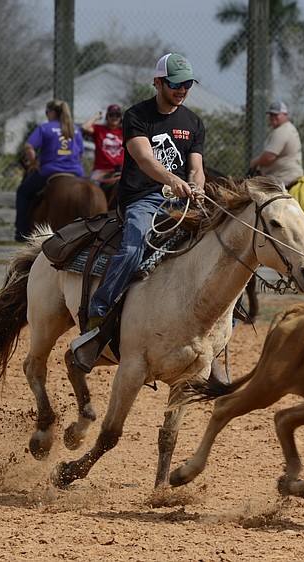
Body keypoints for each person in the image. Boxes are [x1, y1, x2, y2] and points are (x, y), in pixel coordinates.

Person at [71, 53, 206, 372]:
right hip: (142, 199)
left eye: (187, 84)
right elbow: (144, 159)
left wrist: (195, 184)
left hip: (181, 201)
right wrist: (173, 179)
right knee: (132, 247)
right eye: (175, 84)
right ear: (158, 82)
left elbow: (197, 167)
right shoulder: (136, 116)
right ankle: (98, 313)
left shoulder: (194, 122)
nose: (182, 90)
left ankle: (226, 322)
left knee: (221, 244)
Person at [14, 99, 85, 242]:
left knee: (22, 192)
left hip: (50, 171)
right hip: (76, 172)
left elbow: (29, 147)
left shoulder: (45, 128)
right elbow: (81, 152)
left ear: (52, 113)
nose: (47, 115)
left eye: (47, 112)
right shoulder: (75, 129)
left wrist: (34, 162)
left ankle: (21, 231)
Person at [248, 101, 304, 187]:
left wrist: (255, 162)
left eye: (276, 114)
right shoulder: (288, 128)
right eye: (271, 114)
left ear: (285, 115)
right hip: (287, 175)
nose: (272, 117)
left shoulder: (282, 131)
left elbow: (269, 157)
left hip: (283, 177)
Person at [82, 104, 125, 193]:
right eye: (111, 115)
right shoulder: (99, 129)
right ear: (107, 117)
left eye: (117, 115)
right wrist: (96, 117)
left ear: (120, 118)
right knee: (90, 187)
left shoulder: (124, 131)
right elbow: (85, 127)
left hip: (121, 169)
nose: (114, 118)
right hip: (101, 170)